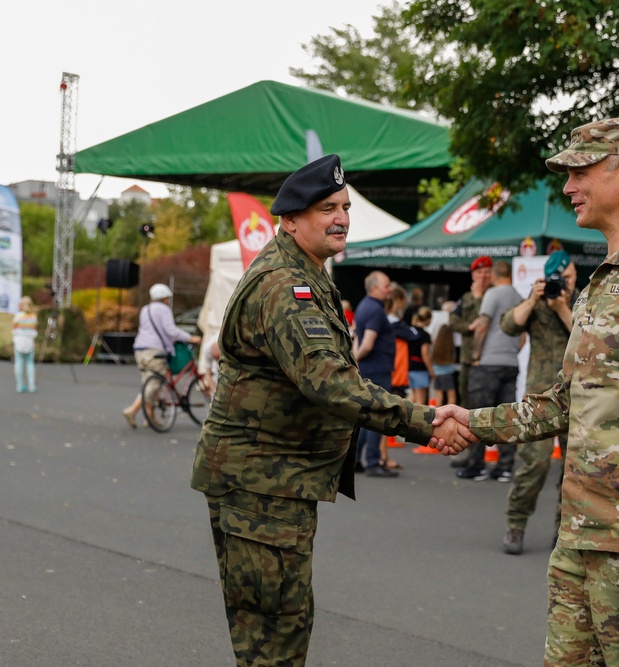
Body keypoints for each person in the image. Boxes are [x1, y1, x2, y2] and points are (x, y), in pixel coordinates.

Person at [434, 118, 619, 667]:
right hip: (582, 539)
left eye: (579, 171)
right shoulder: (600, 281)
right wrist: (473, 422)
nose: (568, 187)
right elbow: (569, 399)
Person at [189, 153, 472, 667]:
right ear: (290, 220)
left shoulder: (308, 274)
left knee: (287, 621)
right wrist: (427, 421)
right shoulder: (285, 285)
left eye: (344, 207)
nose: (341, 217)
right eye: (326, 208)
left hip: (276, 480)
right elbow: (331, 383)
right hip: (260, 483)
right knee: (272, 637)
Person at [497, 250, 578, 555]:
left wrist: (562, 308)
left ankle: (564, 533)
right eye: (560, 277)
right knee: (534, 463)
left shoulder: (581, 300)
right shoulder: (537, 301)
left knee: (574, 470)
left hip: (577, 397)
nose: (565, 282)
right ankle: (516, 524)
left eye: (569, 277)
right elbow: (508, 325)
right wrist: (534, 299)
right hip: (541, 398)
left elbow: (589, 338)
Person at [455, 260, 523, 482]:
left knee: (479, 416)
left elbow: (482, 325)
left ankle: (477, 465)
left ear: (494, 275)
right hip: (510, 363)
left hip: (488, 364)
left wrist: (476, 356)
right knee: (506, 417)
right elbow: (523, 335)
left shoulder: (492, 294)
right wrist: (512, 351)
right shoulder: (518, 297)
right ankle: (505, 467)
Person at [122, 283, 201, 428]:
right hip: (154, 350)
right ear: (164, 297)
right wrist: (190, 338)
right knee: (156, 381)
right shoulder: (164, 310)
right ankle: (133, 410)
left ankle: (150, 418)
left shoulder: (145, 309)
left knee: (149, 380)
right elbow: (170, 330)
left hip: (139, 349)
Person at [447, 255, 493, 468]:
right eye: (479, 273)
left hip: (489, 359)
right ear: (473, 275)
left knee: (486, 409)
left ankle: (482, 458)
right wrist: (468, 327)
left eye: (486, 272)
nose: (483, 276)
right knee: (467, 407)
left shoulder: (494, 295)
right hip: (468, 360)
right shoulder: (466, 297)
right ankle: (469, 453)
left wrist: (477, 298)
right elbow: (453, 320)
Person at [352, 270, 398, 477]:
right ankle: (372, 462)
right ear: (374, 288)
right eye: (386, 286)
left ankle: (355, 459)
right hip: (377, 370)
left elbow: (356, 337)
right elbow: (368, 343)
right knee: (378, 417)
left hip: (368, 369)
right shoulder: (376, 311)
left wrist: (355, 360)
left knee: (364, 418)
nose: (389, 290)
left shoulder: (363, 306)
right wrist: (358, 357)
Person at [405, 306, 435, 407]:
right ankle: (417, 422)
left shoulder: (410, 332)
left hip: (409, 366)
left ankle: (403, 418)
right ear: (428, 319)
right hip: (420, 368)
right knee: (420, 401)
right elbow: (425, 354)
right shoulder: (425, 335)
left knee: (412, 396)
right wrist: (431, 371)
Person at [11, 296, 38, 393]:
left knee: (19, 362)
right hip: (29, 341)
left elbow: (14, 327)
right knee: (30, 363)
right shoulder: (33, 316)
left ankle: (19, 385)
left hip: (19, 340)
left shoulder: (18, 316)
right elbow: (35, 328)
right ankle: (31, 385)